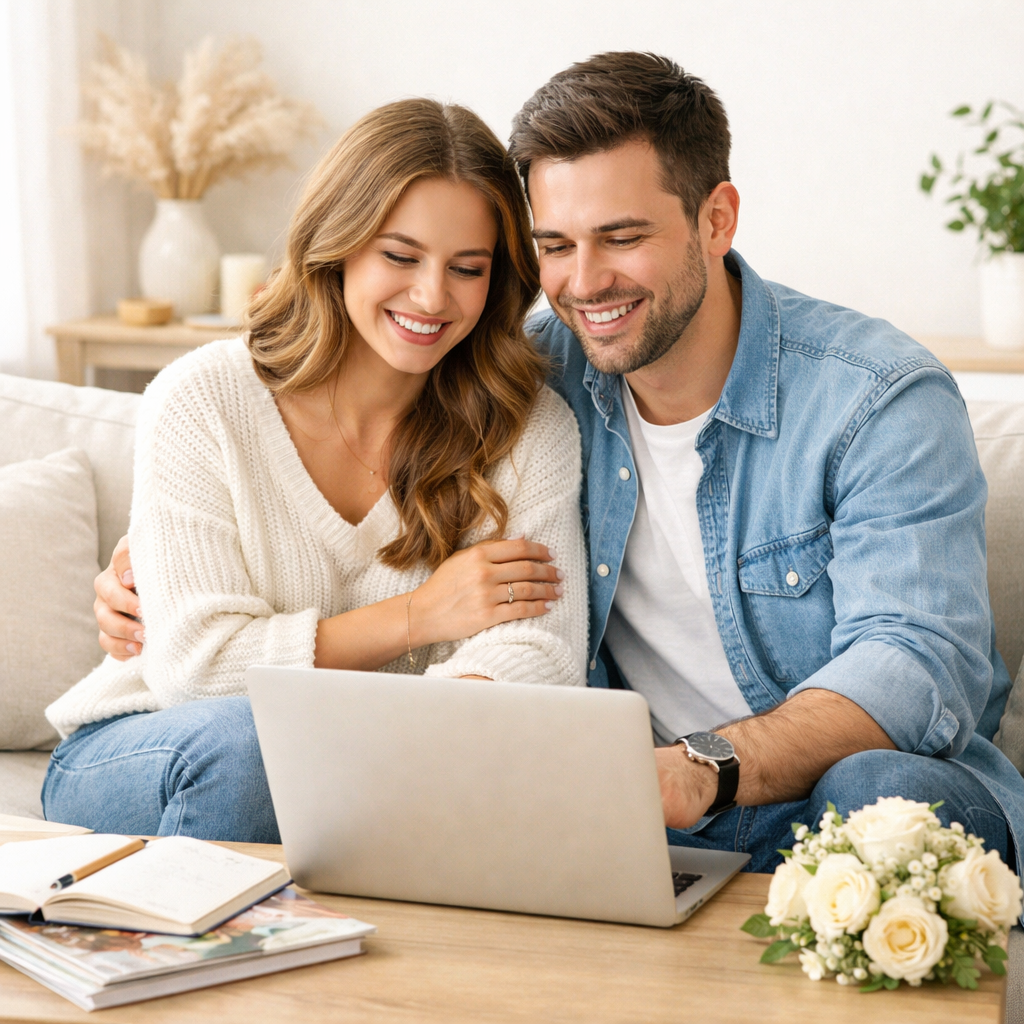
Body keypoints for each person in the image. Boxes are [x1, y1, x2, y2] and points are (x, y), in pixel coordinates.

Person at [96, 53, 1024, 892]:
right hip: (622, 807)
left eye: (622, 237)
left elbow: (917, 662)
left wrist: (703, 765)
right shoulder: (536, 369)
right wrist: (156, 573)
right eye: (553, 246)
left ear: (717, 218)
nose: (585, 283)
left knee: (890, 792)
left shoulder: (877, 399)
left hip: (770, 786)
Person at [44, 98, 588, 842]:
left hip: (374, 766)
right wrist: (420, 615)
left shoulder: (528, 428)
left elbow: (541, 653)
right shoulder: (203, 399)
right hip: (152, 743)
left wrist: (387, 746)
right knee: (251, 749)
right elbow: (197, 670)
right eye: (400, 257)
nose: (432, 297)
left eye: (469, 269)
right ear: (339, 244)